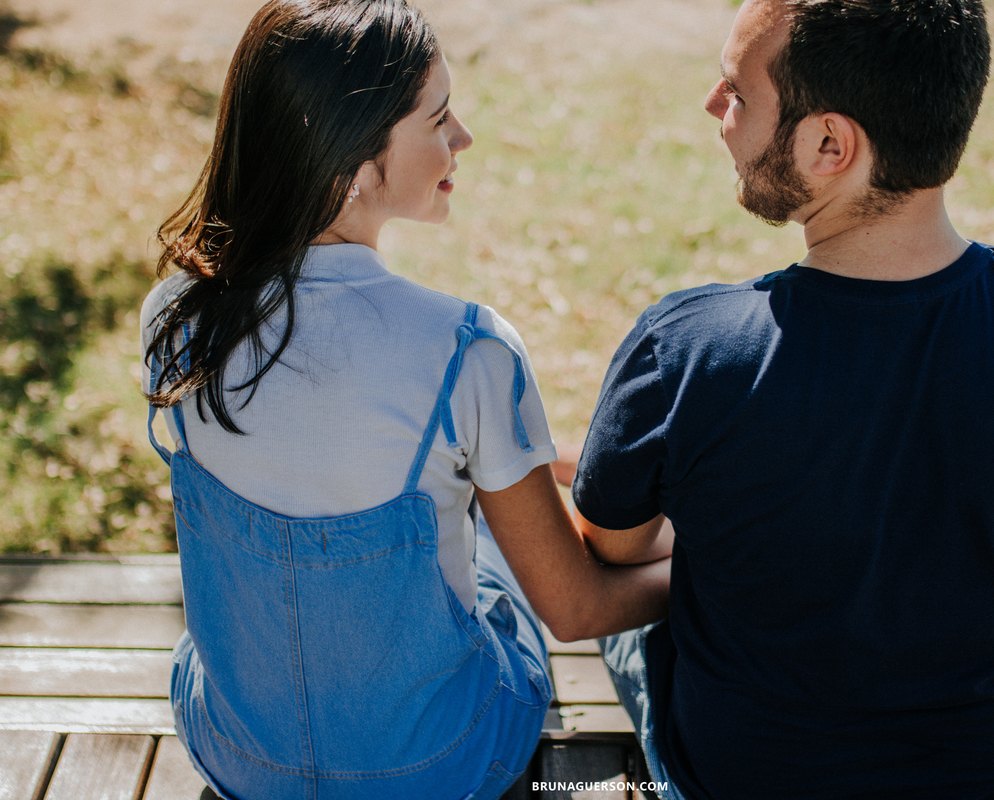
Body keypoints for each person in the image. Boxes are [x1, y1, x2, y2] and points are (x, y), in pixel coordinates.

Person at [564, 1, 994, 798]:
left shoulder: (684, 349)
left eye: (736, 91)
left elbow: (613, 551)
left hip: (745, 778)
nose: (713, 105)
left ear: (830, 144)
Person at [141, 2, 669, 798]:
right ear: (350, 161)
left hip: (242, 759)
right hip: (442, 768)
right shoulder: (468, 348)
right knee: (498, 550)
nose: (463, 139)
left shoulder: (174, 319)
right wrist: (701, 567)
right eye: (439, 118)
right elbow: (576, 608)